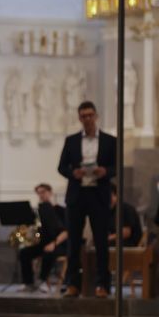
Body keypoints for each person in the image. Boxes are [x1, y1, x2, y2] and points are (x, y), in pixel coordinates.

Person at [58, 101, 116, 297]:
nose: (88, 119)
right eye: (84, 116)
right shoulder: (71, 140)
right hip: (77, 195)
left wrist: (105, 171)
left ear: (96, 116)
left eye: (90, 115)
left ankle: (103, 285)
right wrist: (73, 173)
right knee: (74, 242)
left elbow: (116, 167)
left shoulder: (110, 140)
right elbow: (61, 166)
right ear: (79, 118)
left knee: (101, 241)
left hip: (99, 195)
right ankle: (73, 284)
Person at [18, 183, 68, 290]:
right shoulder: (39, 212)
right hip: (44, 243)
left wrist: (54, 244)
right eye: (39, 193)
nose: (41, 195)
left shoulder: (60, 210)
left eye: (43, 192)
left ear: (50, 193)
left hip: (60, 245)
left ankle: (43, 281)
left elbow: (66, 232)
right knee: (24, 253)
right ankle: (28, 283)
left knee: (48, 252)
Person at [108, 184, 143, 248]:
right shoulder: (107, 210)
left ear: (116, 196)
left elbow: (126, 233)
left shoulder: (125, 209)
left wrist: (107, 239)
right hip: (113, 243)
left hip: (128, 244)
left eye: (110, 196)